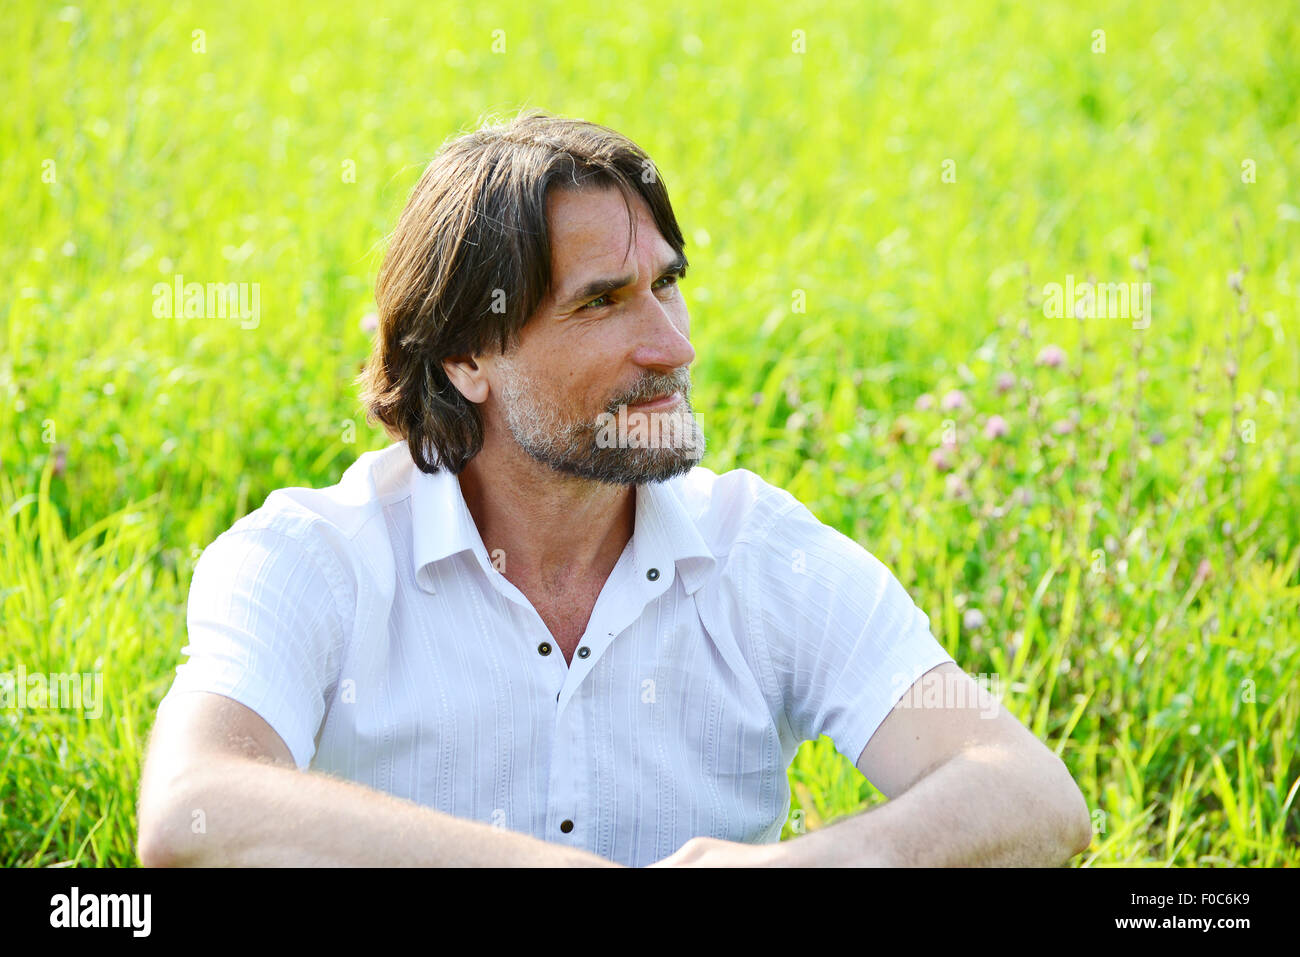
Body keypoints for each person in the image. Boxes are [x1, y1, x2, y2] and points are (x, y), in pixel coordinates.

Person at [136, 109, 1091, 868]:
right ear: (468, 353)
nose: (671, 348)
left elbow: (1032, 795)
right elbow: (192, 809)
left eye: (666, 286)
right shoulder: (313, 559)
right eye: (600, 302)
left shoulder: (757, 555)